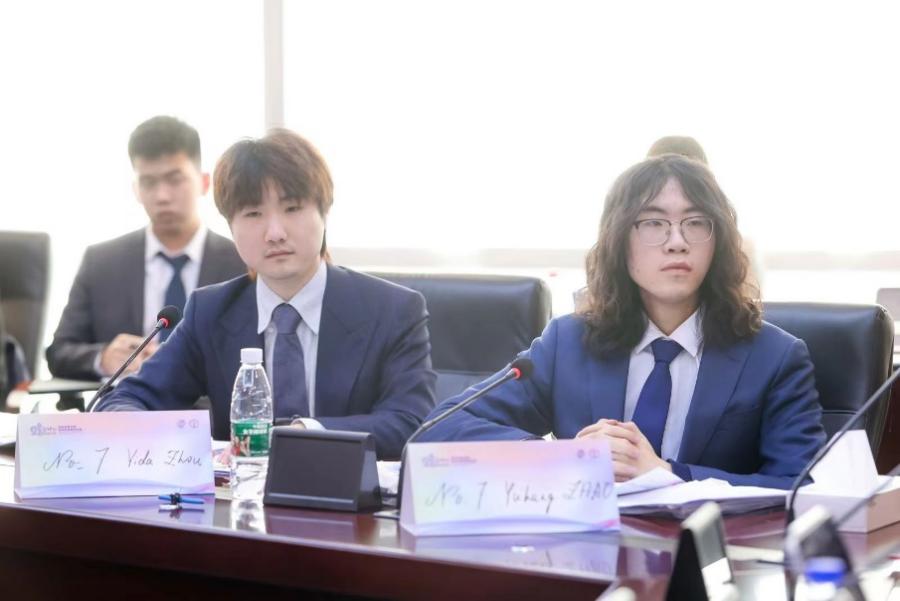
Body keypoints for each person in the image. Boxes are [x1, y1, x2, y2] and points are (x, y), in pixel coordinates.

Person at [420, 155, 825, 489]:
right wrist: (566, 457)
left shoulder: (775, 357)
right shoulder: (569, 342)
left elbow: (801, 486)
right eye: (653, 223)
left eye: (696, 223)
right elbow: (440, 427)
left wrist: (668, 474)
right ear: (618, 240)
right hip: (588, 548)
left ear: (717, 242)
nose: (677, 241)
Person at [95, 129, 436, 460]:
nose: (274, 233)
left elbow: (412, 422)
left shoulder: (393, 310)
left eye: (292, 208)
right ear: (230, 226)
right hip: (238, 496)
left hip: (349, 494)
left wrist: (304, 434)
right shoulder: (210, 311)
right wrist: (174, 443)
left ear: (325, 212)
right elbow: (125, 401)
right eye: (253, 214)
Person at [46, 116, 246, 381]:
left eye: (175, 180)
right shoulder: (101, 263)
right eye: (149, 182)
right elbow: (59, 352)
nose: (162, 196)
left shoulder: (241, 262)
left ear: (204, 183)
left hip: (211, 405)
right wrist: (103, 357)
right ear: (136, 190)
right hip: (124, 402)